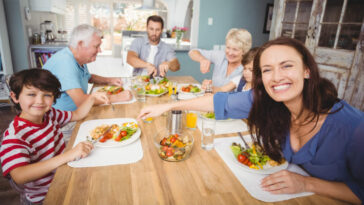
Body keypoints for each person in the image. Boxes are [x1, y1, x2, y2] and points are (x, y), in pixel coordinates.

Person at [138, 37, 364, 204]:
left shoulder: (353, 127)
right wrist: (167, 106)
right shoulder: (266, 98)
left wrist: (308, 184)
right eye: (267, 70)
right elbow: (218, 102)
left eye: (287, 65)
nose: (276, 77)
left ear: (306, 70)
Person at [0, 69, 109, 204]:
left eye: (47, 95)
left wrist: (92, 98)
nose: (39, 101)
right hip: (45, 197)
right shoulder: (15, 136)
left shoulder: (50, 114)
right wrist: (67, 156)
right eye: (31, 94)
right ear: (15, 97)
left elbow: (77, 115)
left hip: (64, 175)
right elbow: (19, 175)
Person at [44, 24, 131, 111]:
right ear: (81, 44)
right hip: (64, 121)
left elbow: (88, 77)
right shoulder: (65, 63)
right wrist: (117, 98)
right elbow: (81, 101)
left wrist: (109, 80)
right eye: (96, 46)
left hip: (78, 113)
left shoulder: (78, 58)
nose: (100, 50)